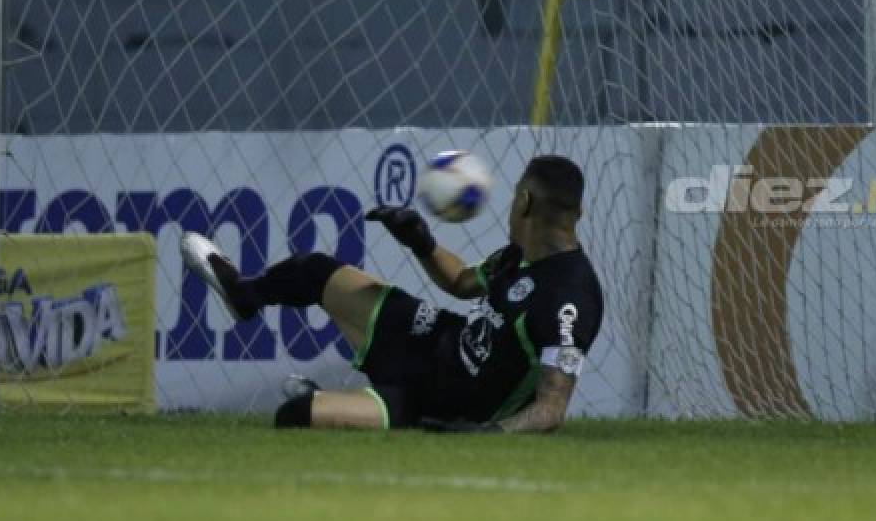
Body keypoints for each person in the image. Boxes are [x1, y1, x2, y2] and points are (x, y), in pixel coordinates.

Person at [180, 154, 603, 433]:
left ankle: (330, 402)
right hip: (435, 340)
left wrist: (485, 432)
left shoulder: (570, 296)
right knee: (314, 272)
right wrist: (421, 242)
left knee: (295, 418)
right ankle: (243, 294)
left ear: (525, 201)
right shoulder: (519, 255)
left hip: (437, 402)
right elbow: (460, 282)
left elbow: (551, 409)